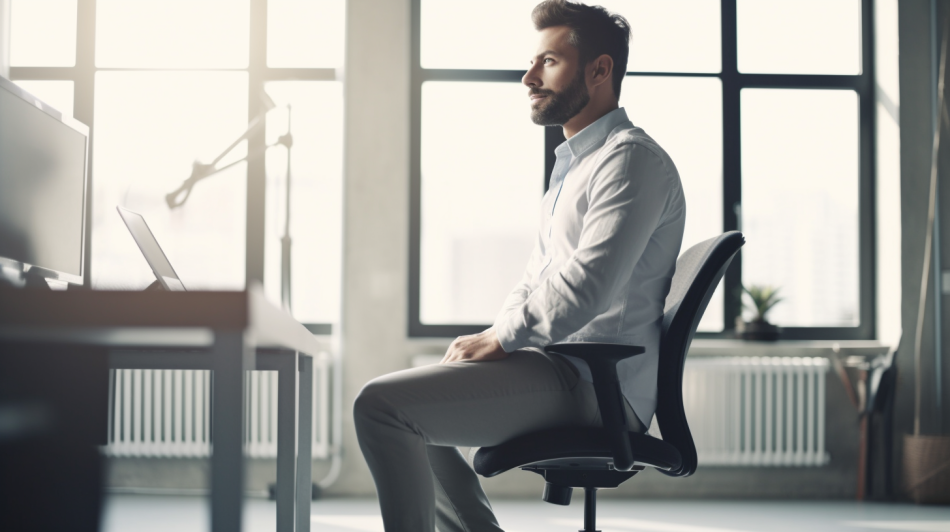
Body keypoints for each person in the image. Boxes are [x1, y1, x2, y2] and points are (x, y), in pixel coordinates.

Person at [354, 1, 686, 530]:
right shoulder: (574, 168)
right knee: (412, 401)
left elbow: (586, 289)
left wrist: (501, 339)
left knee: (380, 406)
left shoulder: (630, 160)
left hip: (596, 385)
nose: (529, 77)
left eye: (548, 61)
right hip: (561, 368)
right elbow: (534, 281)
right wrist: (491, 338)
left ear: (600, 70)